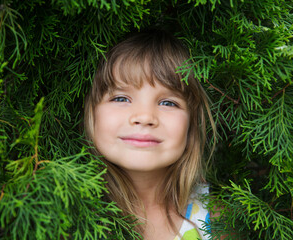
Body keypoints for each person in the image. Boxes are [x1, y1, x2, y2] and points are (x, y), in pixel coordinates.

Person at [84, 28, 216, 240]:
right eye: (121, 98)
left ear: (191, 124)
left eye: (168, 103)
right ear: (92, 113)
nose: (145, 117)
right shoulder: (65, 217)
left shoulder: (217, 222)